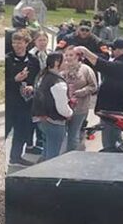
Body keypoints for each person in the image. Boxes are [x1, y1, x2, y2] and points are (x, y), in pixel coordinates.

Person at [76, 39, 123, 151]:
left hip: (114, 111)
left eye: (114, 48)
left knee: (111, 143)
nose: (111, 50)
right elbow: (101, 62)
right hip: (110, 110)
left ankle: (115, 159)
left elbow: (102, 64)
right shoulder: (120, 64)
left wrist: (86, 52)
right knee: (111, 139)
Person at [6, 30, 40, 165]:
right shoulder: (7, 59)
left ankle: (15, 157)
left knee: (21, 131)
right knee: (5, 130)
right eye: (14, 43)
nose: (17, 46)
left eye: (20, 43)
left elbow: (38, 80)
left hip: (25, 103)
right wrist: (14, 79)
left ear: (26, 43)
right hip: (10, 102)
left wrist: (32, 87)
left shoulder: (33, 61)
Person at [32, 52, 73, 162]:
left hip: (41, 119)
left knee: (47, 149)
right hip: (54, 121)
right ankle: (49, 172)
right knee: (53, 155)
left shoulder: (42, 76)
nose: (66, 63)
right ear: (56, 63)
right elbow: (62, 108)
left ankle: (42, 169)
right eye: (64, 61)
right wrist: (70, 113)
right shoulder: (58, 82)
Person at [61, 46, 97, 152]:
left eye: (71, 55)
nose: (68, 57)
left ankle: (72, 155)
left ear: (77, 56)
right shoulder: (61, 68)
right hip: (62, 107)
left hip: (80, 107)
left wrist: (82, 92)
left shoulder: (86, 69)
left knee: (73, 134)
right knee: (61, 134)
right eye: (66, 55)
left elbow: (94, 86)